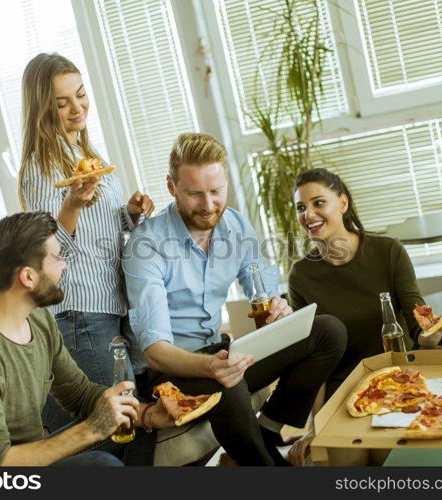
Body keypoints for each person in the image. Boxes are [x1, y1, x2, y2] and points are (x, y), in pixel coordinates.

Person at [122, 133, 347, 466]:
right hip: (169, 371)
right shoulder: (147, 244)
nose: (210, 205)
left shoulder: (235, 225)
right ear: (171, 187)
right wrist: (213, 366)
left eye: (216, 191)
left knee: (328, 331)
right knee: (226, 382)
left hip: (218, 351)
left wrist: (275, 306)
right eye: (195, 194)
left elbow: (261, 285)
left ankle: (269, 430)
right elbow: (155, 352)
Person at [0, 212, 173, 466]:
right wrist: (92, 429)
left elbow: (79, 394)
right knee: (102, 466)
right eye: (58, 257)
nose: (65, 264)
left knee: (133, 427)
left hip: (22, 458)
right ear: (28, 277)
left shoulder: (38, 319)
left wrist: (144, 414)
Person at [18, 53, 154, 432]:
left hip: (110, 304)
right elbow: (48, 251)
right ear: (43, 109)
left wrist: (130, 213)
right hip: (79, 313)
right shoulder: (41, 167)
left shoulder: (87, 156)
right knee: (117, 427)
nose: (77, 108)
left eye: (80, 95)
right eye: (62, 103)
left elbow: (101, 232)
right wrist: (73, 204)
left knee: (132, 419)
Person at [286, 168, 442, 465]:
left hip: (400, 379)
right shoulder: (301, 275)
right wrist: (315, 427)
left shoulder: (388, 251)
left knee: (387, 458)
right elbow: (310, 360)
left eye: (318, 203)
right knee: (343, 463)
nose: (308, 214)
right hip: (343, 392)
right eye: (301, 207)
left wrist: (431, 336)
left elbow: (416, 318)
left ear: (342, 203)